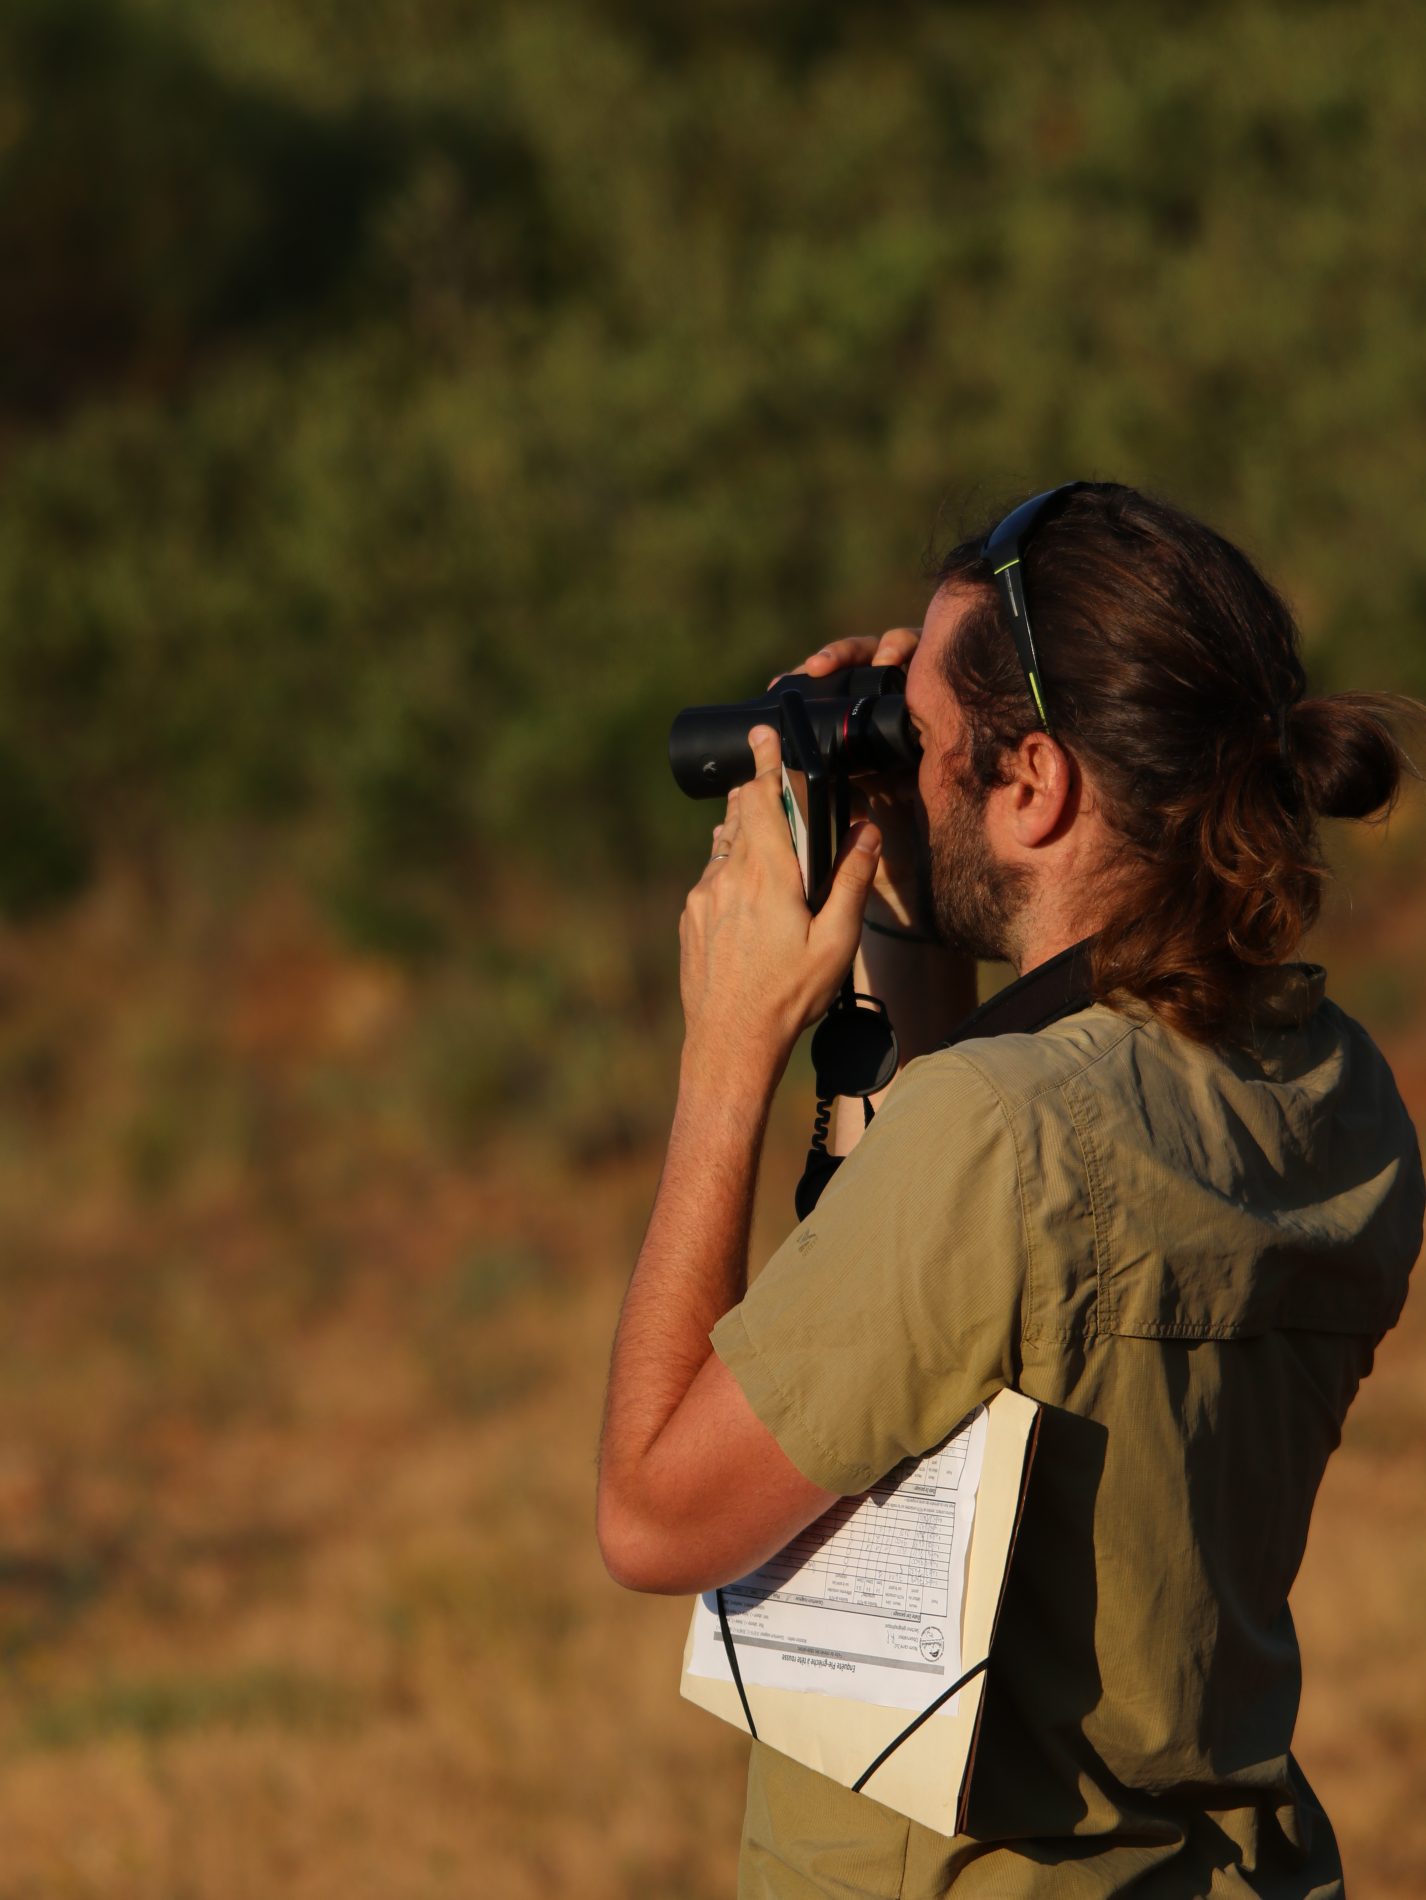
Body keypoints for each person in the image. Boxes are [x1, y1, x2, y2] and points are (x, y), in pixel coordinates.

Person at [596, 482, 1424, 1898]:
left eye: (912, 737)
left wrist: (726, 1056)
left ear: (1033, 781)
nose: (893, 761)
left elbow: (653, 1517)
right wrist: (903, 916)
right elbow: (978, 1280)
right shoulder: (1336, 1091)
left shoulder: (1000, 1137)